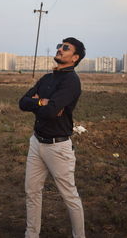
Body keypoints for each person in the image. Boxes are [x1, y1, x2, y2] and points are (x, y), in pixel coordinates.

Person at [19, 37, 86, 238]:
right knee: (32, 192)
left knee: (69, 196)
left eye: (65, 48)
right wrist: (41, 104)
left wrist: (43, 105)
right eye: (59, 46)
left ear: (74, 57)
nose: (59, 49)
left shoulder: (71, 81)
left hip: (58, 147)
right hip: (36, 142)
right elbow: (22, 102)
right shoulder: (47, 78)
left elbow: (51, 112)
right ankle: (31, 235)